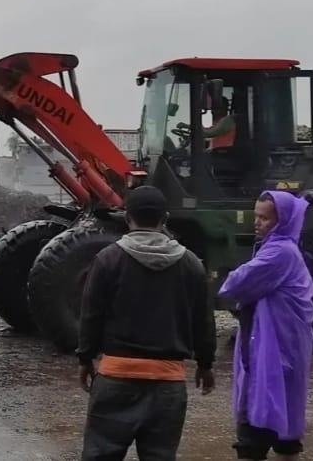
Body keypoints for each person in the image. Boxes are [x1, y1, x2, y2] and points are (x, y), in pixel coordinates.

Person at [77, 185, 217, 461]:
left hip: (116, 379)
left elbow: (91, 314)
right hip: (168, 385)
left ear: (127, 218)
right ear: (164, 219)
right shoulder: (191, 264)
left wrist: (85, 358)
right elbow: (204, 320)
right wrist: (205, 364)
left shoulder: (108, 259)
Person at [218, 191, 313, 461]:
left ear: (282, 221)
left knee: (255, 428)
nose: (257, 223)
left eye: (264, 218)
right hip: (287, 348)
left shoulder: (278, 253)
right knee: (286, 432)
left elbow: (235, 285)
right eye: (256, 216)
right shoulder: (287, 249)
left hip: (272, 352)